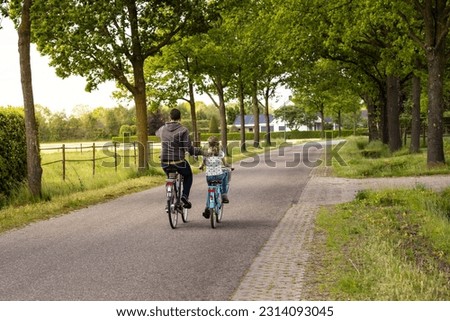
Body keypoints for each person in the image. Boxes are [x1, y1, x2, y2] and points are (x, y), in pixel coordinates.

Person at [156, 108, 201, 209]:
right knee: (188, 175)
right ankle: (184, 196)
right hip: (178, 161)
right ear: (180, 117)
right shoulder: (183, 130)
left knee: (170, 177)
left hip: (164, 162)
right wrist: (198, 152)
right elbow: (188, 148)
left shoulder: (162, 129)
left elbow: (157, 134)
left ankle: (170, 199)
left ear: (170, 117)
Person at [199, 136, 232, 219]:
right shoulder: (220, 153)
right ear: (218, 144)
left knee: (210, 189)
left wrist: (201, 167)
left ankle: (207, 207)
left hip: (209, 177)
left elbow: (202, 164)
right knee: (225, 174)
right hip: (219, 176)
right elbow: (225, 164)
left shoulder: (205, 153)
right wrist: (230, 167)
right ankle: (224, 194)